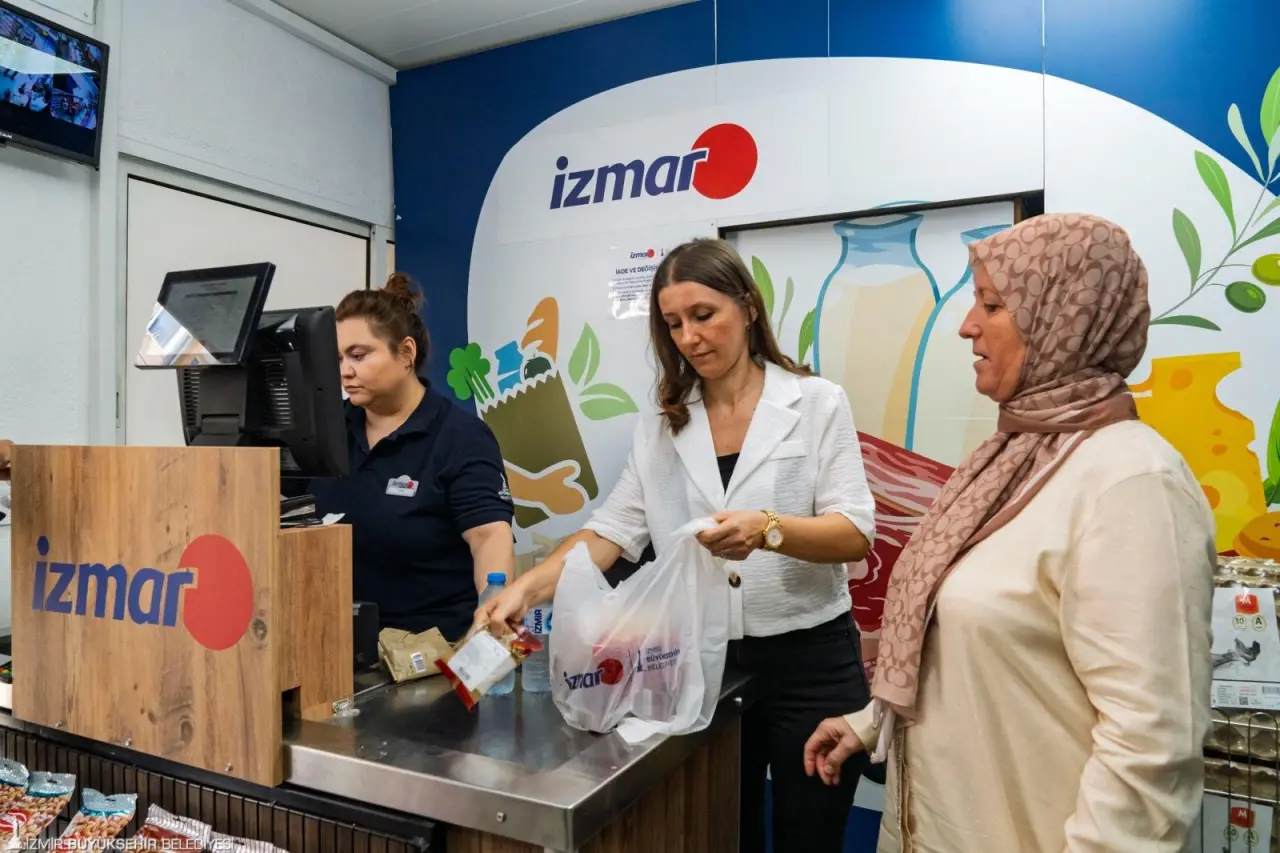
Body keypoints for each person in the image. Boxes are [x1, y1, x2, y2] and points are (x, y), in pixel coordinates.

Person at [803, 213, 1214, 852]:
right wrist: (871, 721)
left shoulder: (1132, 482)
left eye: (993, 305)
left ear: (1065, 319)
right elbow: (990, 652)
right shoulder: (1008, 458)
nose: (967, 325)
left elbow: (1150, 748)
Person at [477, 238, 877, 852]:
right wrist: (526, 590)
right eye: (673, 324)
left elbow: (854, 531)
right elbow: (611, 532)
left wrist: (768, 529)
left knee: (810, 837)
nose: (689, 337)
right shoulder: (664, 425)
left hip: (811, 663)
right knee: (719, 831)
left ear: (748, 306)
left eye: (703, 315)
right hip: (703, 664)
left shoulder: (816, 402)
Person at [304, 273, 516, 642]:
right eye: (337, 358)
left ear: (405, 353)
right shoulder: (325, 431)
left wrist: (488, 628)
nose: (345, 371)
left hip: (429, 648)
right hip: (332, 642)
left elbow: (488, 536)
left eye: (358, 356)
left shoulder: (459, 437)